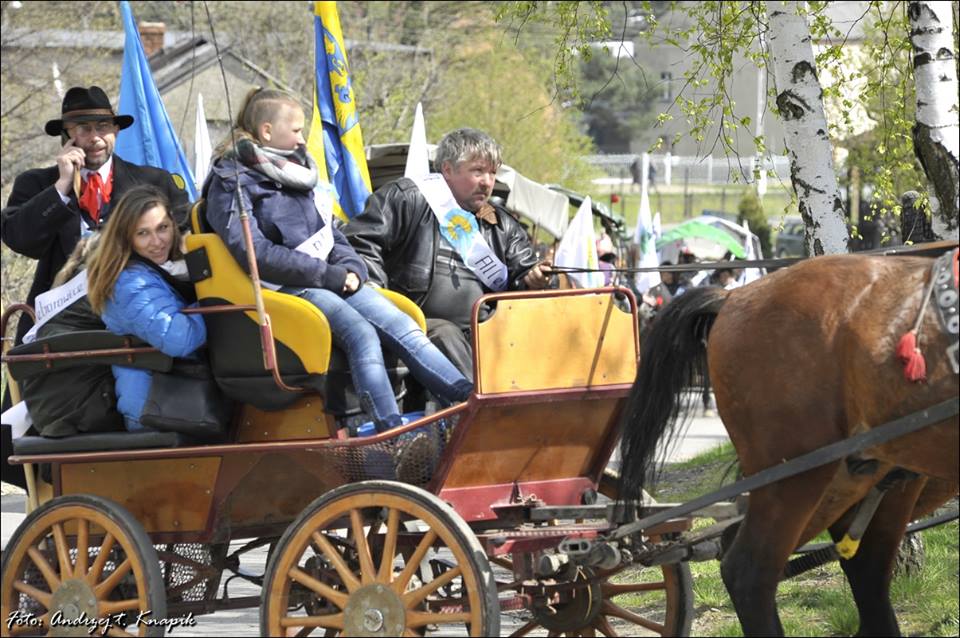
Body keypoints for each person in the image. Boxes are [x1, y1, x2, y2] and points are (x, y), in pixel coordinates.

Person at [203, 88, 471, 433]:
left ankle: (466, 400)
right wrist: (330, 275)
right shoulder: (231, 181)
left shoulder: (298, 172)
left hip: (327, 277)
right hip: (285, 288)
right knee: (362, 334)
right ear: (267, 131)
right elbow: (255, 254)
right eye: (296, 130)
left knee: (403, 325)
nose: (303, 138)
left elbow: (332, 233)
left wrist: (352, 268)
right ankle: (390, 431)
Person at [343, 127, 553, 382]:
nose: (487, 182)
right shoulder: (407, 198)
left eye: (492, 172)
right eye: (478, 171)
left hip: (485, 333)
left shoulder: (502, 225)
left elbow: (524, 271)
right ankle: (472, 402)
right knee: (445, 334)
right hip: (415, 326)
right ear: (447, 169)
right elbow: (360, 241)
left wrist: (534, 279)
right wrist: (380, 297)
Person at [1, 86, 190, 346]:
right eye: (83, 129)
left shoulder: (156, 182)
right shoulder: (37, 183)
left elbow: (184, 243)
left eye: (103, 127)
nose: (95, 138)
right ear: (66, 136)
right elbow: (20, 240)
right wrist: (61, 187)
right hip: (62, 328)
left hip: (138, 322)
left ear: (116, 130)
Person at [86, 185, 205, 431]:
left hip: (179, 401)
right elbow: (178, 338)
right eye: (143, 233)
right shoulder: (129, 283)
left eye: (163, 228)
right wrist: (218, 300)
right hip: (155, 412)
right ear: (125, 238)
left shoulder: (164, 269)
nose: (157, 242)